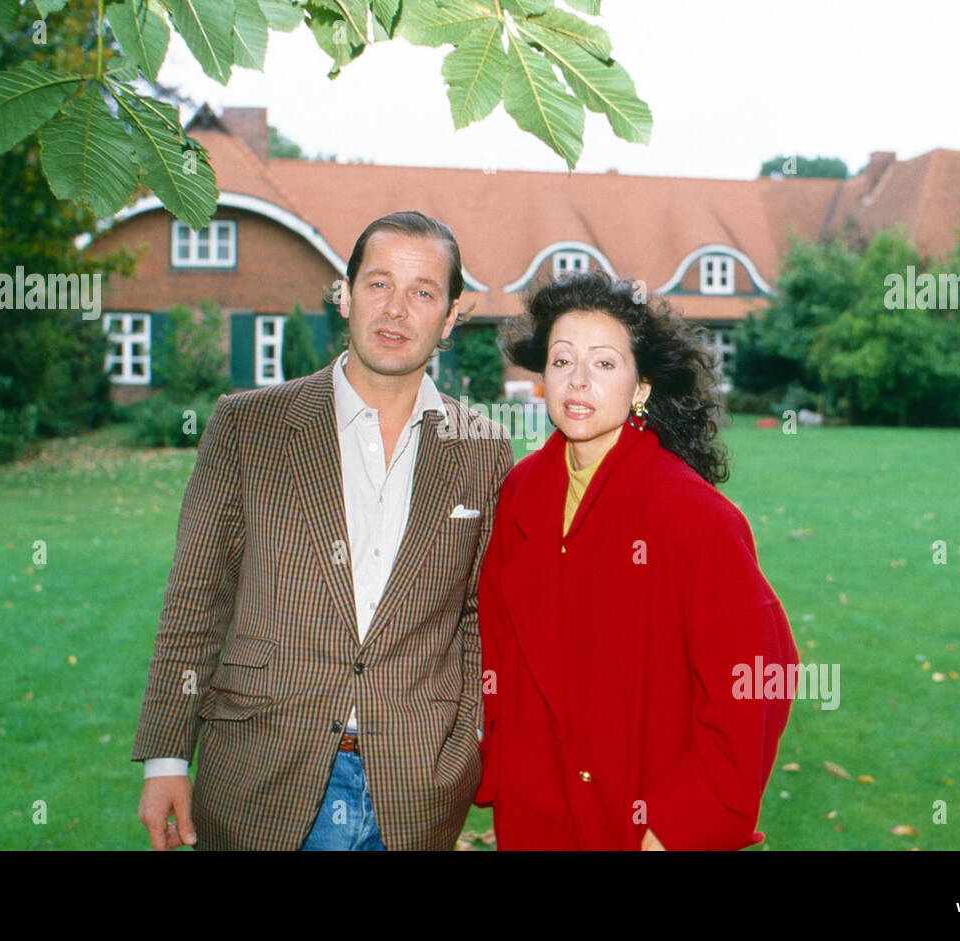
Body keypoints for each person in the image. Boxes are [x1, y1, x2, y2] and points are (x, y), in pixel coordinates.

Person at [133, 211, 515, 851]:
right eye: (378, 284)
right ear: (344, 293)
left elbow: (481, 615)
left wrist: (467, 738)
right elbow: (197, 600)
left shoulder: (483, 445)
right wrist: (168, 758)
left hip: (416, 788)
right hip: (263, 773)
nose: (396, 311)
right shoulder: (247, 426)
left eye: (423, 292)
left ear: (451, 317)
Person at [473, 270, 800, 850]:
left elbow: (758, 683)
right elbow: (495, 645)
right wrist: (500, 758)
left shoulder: (694, 515)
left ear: (641, 386)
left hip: (641, 822)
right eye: (561, 360)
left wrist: (677, 826)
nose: (578, 381)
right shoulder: (520, 492)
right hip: (533, 816)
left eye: (603, 364)